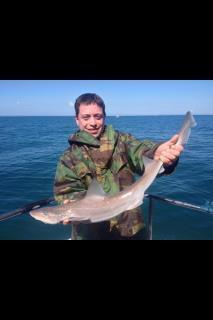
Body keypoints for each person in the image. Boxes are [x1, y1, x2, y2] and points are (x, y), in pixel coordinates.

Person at [54, 93, 183, 240]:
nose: (93, 122)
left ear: (104, 117)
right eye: (86, 117)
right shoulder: (68, 158)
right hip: (91, 233)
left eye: (98, 116)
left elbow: (141, 151)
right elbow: (66, 190)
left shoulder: (122, 141)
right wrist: (70, 202)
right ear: (77, 120)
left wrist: (158, 153)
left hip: (131, 229)